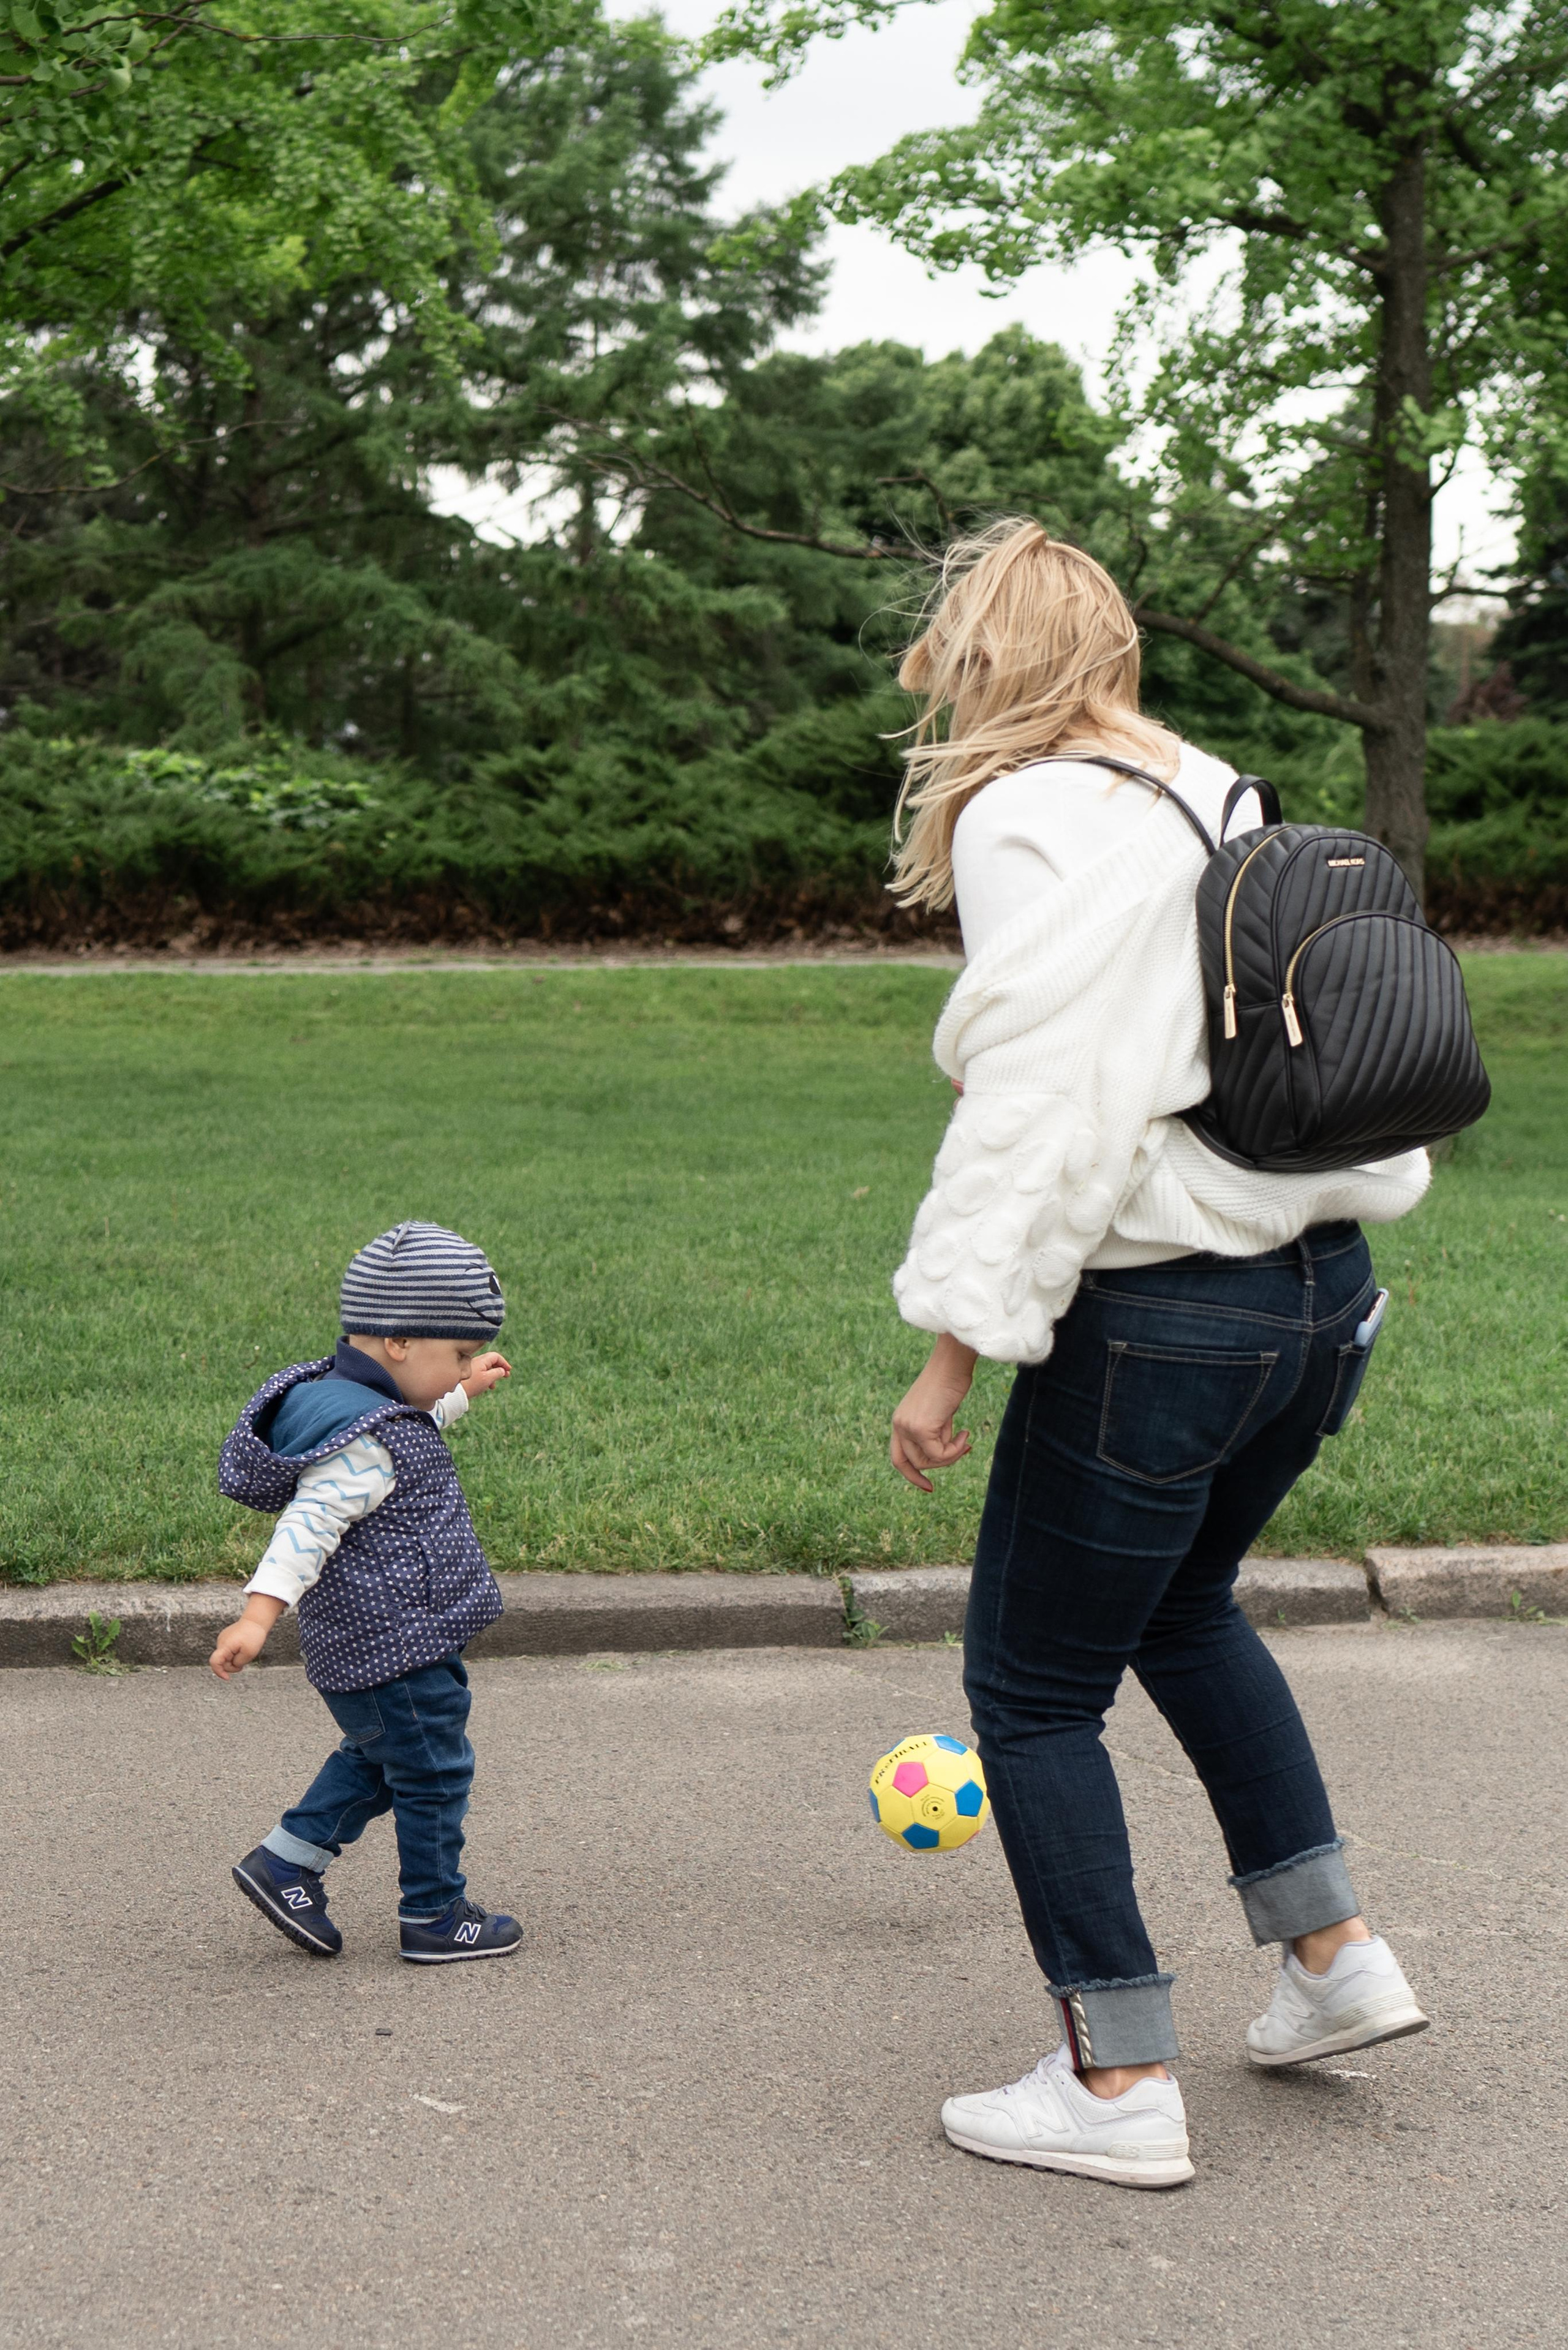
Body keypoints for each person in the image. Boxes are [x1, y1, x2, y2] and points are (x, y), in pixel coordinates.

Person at [887, 521, 1432, 2191]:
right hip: (1315, 1294)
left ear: (983, 659)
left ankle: (1115, 2077)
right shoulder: (1215, 783)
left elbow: (1044, 1110)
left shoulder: (1024, 814)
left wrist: (954, 1352)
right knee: (1186, 1609)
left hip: (1163, 1317)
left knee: (1030, 1690)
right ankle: (1334, 1958)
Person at [210, 1221, 522, 1965]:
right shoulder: (362, 1445)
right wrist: (259, 1616)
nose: (463, 1366)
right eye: (458, 1356)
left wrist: (460, 1395)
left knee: (384, 1760)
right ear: (400, 1344)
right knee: (436, 1771)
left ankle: (285, 1863)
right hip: (397, 1649)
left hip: (383, 1646)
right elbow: (307, 1525)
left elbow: (407, 1419)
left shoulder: (364, 1402)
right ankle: (436, 1915)